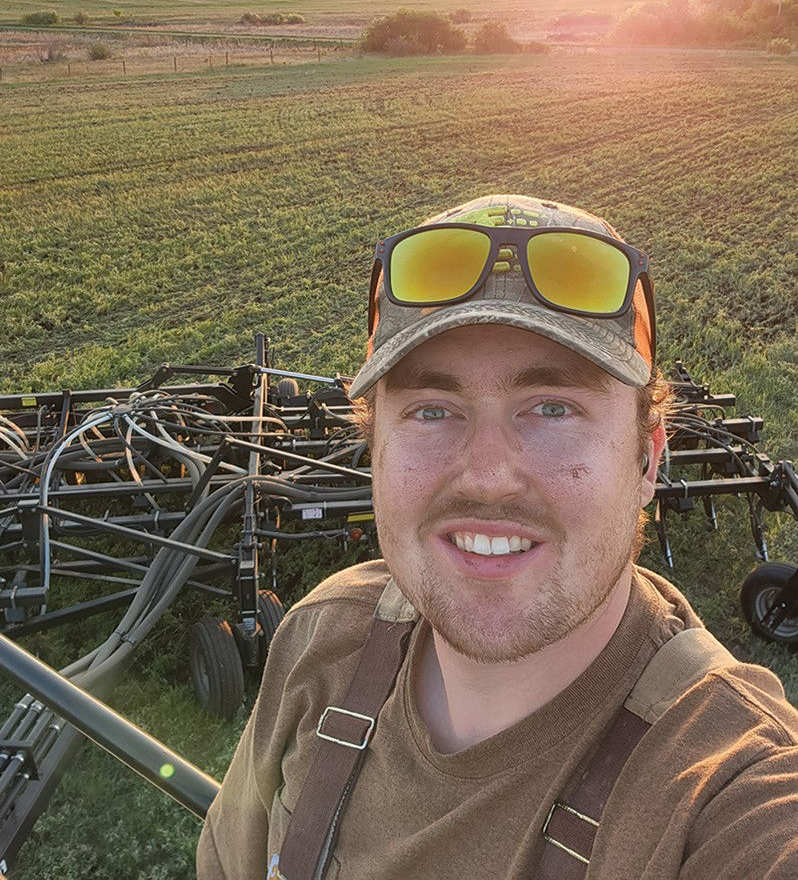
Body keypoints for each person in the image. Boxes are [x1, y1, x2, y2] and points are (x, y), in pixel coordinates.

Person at [197, 195, 798, 880]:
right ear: (376, 445)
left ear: (648, 459)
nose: (486, 475)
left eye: (552, 407)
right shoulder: (319, 645)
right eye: (432, 409)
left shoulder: (725, 791)